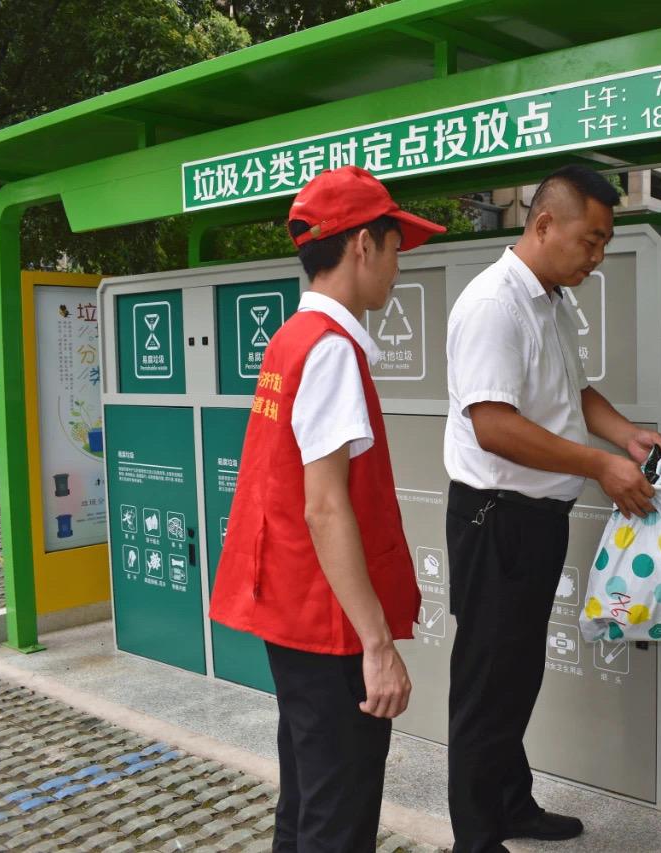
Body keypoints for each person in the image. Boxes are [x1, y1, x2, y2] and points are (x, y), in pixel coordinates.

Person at [209, 166, 445, 852]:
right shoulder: (334, 352)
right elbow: (326, 508)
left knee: (309, 801)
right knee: (338, 820)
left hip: (293, 612)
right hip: (331, 627)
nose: (401, 267)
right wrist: (378, 647)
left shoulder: (291, 339)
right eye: (397, 247)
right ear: (363, 245)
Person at [443, 165, 661, 853]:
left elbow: (575, 391)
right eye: (590, 240)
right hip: (495, 517)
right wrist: (601, 464)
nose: (597, 257)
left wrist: (623, 433)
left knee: (517, 672)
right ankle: (475, 839)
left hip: (534, 518)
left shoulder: (552, 300)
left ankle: (511, 802)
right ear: (544, 225)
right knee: (487, 682)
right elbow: (494, 425)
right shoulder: (494, 304)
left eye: (603, 243)